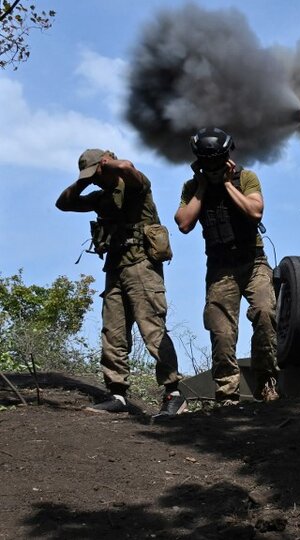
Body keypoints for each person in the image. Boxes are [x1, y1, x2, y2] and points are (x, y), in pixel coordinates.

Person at [56, 149, 185, 416]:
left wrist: (111, 164)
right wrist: (83, 180)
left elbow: (127, 167)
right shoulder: (100, 198)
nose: (94, 180)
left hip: (142, 266)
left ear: (106, 166)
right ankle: (117, 394)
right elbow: (64, 203)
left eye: (95, 174)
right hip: (115, 267)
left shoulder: (136, 187)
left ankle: (174, 394)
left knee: (153, 329)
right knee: (112, 333)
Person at [174, 127, 279, 405]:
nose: (212, 166)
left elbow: (255, 211)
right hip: (221, 267)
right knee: (221, 330)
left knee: (266, 314)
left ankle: (266, 383)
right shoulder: (192, 188)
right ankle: (227, 394)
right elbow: (184, 223)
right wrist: (205, 187)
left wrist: (228, 185)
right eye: (207, 162)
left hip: (253, 261)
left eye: (216, 161)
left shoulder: (245, 178)